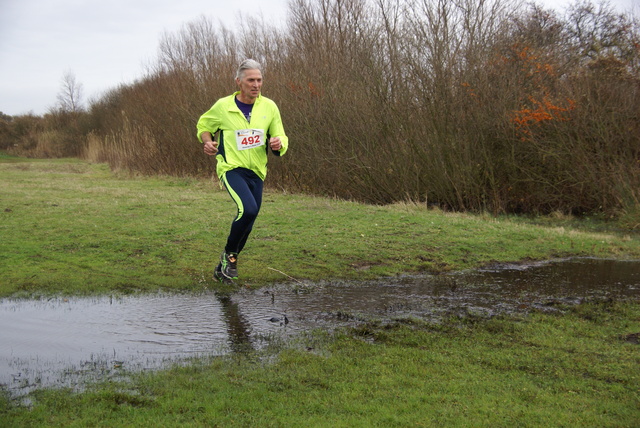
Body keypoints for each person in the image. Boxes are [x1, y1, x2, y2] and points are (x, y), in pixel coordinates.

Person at [196, 59, 289, 282]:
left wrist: (278, 144)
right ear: (239, 82)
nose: (256, 85)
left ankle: (226, 264)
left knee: (251, 216)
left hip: (257, 171)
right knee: (246, 210)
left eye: (259, 80)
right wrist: (207, 141)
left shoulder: (269, 107)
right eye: (251, 80)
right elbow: (204, 126)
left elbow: (281, 135)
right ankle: (229, 255)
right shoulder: (223, 106)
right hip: (231, 168)